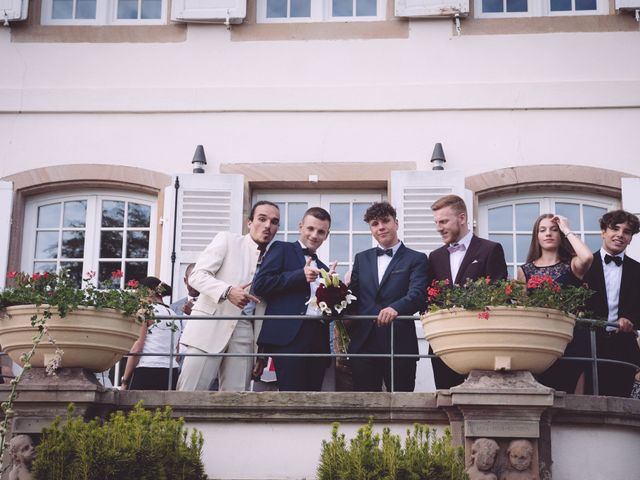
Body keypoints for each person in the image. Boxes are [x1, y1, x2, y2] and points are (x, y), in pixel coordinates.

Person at [177, 201, 280, 391]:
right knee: (189, 394)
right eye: (262, 219)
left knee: (236, 399)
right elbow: (197, 276)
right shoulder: (227, 240)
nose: (268, 226)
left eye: (274, 222)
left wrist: (261, 353)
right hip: (211, 324)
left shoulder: (274, 259)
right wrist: (227, 291)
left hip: (246, 331)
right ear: (249, 223)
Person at [428, 194, 508, 390]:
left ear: (462, 218)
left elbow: (499, 294)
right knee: (445, 402)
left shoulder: (491, 249)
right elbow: (429, 298)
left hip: (479, 341)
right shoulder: (435, 257)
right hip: (443, 344)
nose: (439, 228)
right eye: (437, 222)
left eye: (444, 221)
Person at [347, 201, 428, 392]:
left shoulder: (416, 258)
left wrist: (396, 308)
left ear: (396, 223)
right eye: (375, 224)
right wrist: (334, 293)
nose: (381, 227)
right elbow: (353, 297)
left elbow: (418, 294)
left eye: (385, 221)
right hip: (363, 344)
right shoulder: (361, 258)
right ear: (371, 229)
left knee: (402, 405)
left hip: (399, 343)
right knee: (365, 406)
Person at [253, 207, 334, 391]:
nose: (314, 235)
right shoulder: (282, 248)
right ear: (300, 227)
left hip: (318, 341)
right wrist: (299, 275)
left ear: (326, 235)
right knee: (291, 396)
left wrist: (336, 292)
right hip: (289, 338)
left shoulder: (324, 269)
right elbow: (261, 285)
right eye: (310, 229)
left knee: (313, 399)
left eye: (321, 232)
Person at [517, 214, 593, 393]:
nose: (548, 234)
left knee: (569, 396)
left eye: (554, 230)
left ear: (561, 235)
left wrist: (566, 229)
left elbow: (588, 257)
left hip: (572, 339)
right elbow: (522, 310)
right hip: (541, 340)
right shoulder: (524, 270)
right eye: (542, 230)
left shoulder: (572, 265)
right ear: (536, 236)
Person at [583, 209, 640, 397]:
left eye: (626, 231)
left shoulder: (638, 270)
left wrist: (631, 320)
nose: (620, 235)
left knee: (621, 403)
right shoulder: (585, 266)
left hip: (624, 347)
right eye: (615, 229)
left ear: (631, 238)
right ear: (603, 231)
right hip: (589, 344)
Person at [121, 277, 183, 390]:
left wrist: (125, 380)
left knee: (137, 407)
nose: (139, 298)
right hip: (171, 371)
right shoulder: (175, 315)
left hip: (147, 369)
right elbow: (177, 352)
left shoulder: (145, 311)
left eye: (140, 294)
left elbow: (137, 348)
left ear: (149, 292)